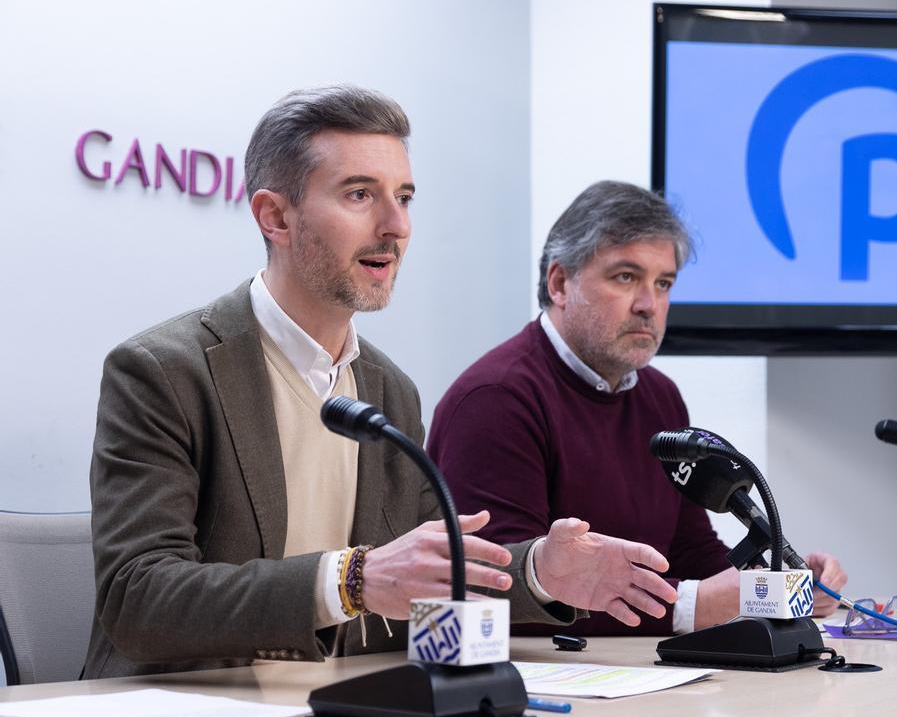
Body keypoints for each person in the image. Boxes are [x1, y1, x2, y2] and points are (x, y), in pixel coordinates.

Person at [83, 89, 676, 679]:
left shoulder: (389, 390)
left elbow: (425, 577)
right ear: (275, 216)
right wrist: (351, 580)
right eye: (360, 194)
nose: (396, 227)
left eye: (405, 197)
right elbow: (137, 599)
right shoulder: (164, 371)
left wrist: (541, 571)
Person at [427, 181, 847, 636]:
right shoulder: (496, 399)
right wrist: (689, 608)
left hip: (643, 684)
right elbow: (500, 590)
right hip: (549, 692)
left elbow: (689, 552)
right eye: (626, 277)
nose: (650, 306)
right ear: (560, 283)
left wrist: (778, 584)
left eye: (663, 283)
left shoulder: (660, 396)